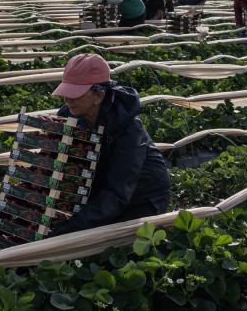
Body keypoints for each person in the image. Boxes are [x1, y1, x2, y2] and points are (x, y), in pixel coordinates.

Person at [48, 53, 170, 236]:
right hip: (100, 187)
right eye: (66, 92)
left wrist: (72, 226)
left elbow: (117, 193)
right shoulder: (68, 115)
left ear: (99, 95)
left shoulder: (129, 131)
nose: (68, 99)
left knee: (100, 243)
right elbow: (53, 162)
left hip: (140, 200)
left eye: (75, 94)